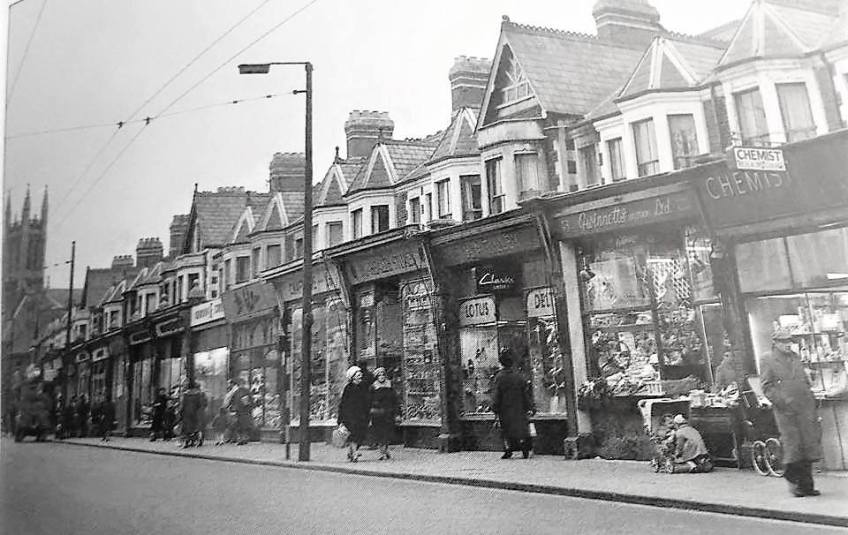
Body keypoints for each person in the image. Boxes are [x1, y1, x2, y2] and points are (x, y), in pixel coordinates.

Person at [761, 328, 823, 497]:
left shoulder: (795, 357)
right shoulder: (768, 359)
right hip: (786, 412)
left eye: (789, 341)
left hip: (804, 408)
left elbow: (802, 379)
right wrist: (783, 401)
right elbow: (767, 387)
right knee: (793, 447)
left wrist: (810, 395)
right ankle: (793, 483)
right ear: (776, 343)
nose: (788, 345)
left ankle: (807, 485)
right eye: (784, 342)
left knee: (807, 447)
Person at [492, 348, 535, 459]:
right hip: (519, 408)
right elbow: (525, 393)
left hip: (505, 409)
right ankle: (524, 448)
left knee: (506, 430)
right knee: (520, 429)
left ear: (501, 363)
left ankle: (508, 449)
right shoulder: (519, 376)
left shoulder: (499, 377)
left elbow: (497, 395)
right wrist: (529, 407)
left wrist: (495, 408)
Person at [338, 366, 371, 462]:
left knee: (361, 435)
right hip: (351, 416)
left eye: (361, 374)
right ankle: (354, 453)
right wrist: (341, 419)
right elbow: (343, 404)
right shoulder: (348, 388)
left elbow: (367, 401)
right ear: (353, 377)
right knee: (354, 434)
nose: (360, 376)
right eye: (358, 375)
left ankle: (351, 452)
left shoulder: (363, 387)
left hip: (362, 415)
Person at [369, 367, 398, 460]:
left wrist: (397, 412)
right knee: (380, 433)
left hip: (389, 412)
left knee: (388, 432)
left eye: (383, 375)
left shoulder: (390, 385)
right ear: (376, 377)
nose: (381, 377)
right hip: (378, 413)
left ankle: (386, 449)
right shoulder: (373, 386)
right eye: (379, 375)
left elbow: (395, 399)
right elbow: (369, 400)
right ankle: (382, 452)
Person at [226, 379, 253, 445]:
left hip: (242, 411)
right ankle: (242, 438)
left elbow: (248, 401)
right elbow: (232, 401)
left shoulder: (241, 391)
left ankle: (242, 439)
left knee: (242, 425)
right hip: (241, 411)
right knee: (240, 425)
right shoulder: (239, 391)